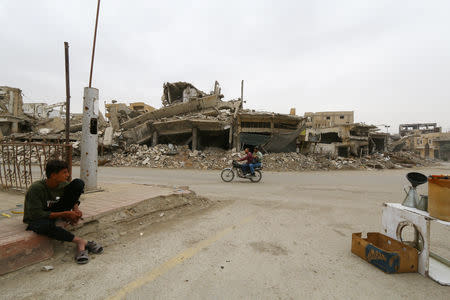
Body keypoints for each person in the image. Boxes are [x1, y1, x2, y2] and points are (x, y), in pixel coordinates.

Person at [23, 159, 103, 264]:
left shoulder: (63, 184)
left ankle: (68, 222)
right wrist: (65, 214)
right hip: (39, 217)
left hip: (54, 210)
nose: (68, 175)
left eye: (67, 172)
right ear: (53, 175)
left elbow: (72, 198)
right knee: (42, 226)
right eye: (64, 172)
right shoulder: (36, 188)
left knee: (78, 183)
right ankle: (81, 242)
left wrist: (75, 209)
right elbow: (36, 214)